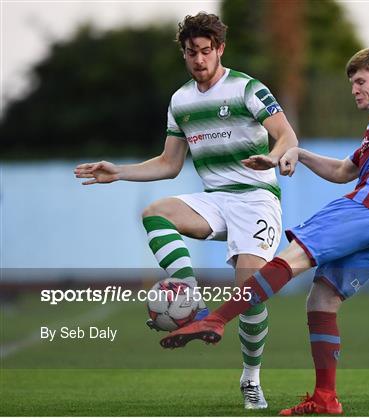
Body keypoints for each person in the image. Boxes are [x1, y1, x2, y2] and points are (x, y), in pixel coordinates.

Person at [160, 47, 369, 415]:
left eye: (361, 81)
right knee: (322, 300)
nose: (355, 89)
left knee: (293, 257)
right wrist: (298, 153)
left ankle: (215, 318)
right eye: (352, 83)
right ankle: (325, 399)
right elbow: (343, 172)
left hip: (365, 210)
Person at [74, 12, 298, 410]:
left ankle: (250, 379)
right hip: (215, 199)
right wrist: (119, 172)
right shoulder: (180, 101)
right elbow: (169, 163)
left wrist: (274, 156)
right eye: (192, 52)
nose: (199, 59)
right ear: (184, 53)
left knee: (250, 293)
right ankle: (189, 296)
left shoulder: (247, 88)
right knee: (156, 212)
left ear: (220, 50)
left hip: (257, 198)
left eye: (206, 51)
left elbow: (286, 134)